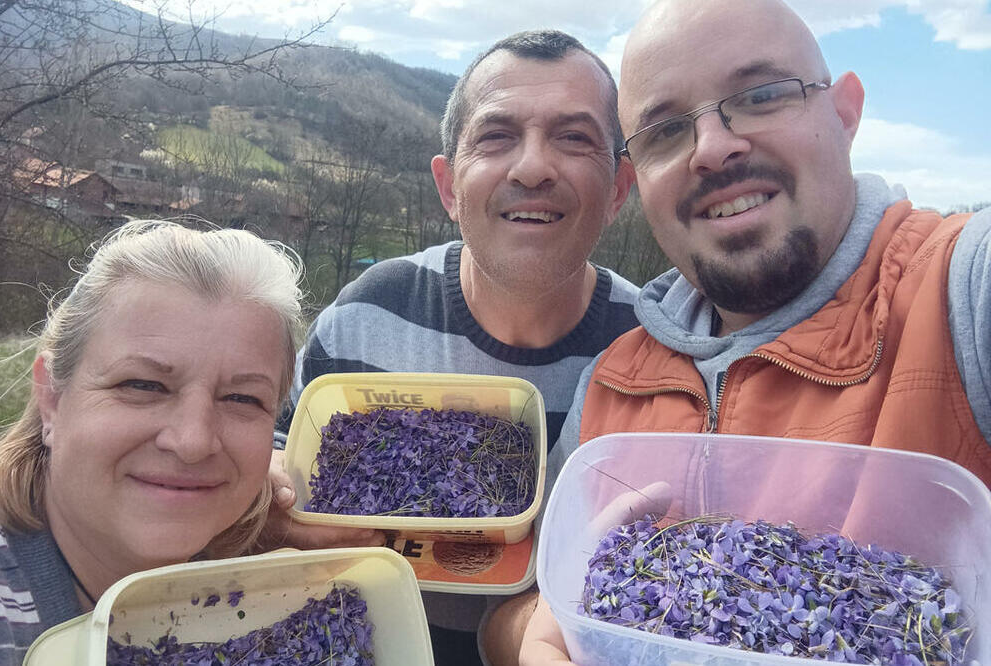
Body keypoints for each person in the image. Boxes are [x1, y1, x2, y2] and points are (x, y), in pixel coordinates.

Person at [520, 0, 991, 660]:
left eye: (762, 94)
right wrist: (538, 642)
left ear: (845, 112)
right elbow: (541, 605)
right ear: (636, 182)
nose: (712, 148)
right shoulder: (613, 388)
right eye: (663, 132)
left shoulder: (960, 291)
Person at [274, 30, 638, 666]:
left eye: (574, 137)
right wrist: (272, 496)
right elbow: (281, 451)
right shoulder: (366, 316)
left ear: (618, 189)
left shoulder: (648, 355)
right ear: (448, 187)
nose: (532, 168)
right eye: (496, 136)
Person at [0, 220, 307, 664]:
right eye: (143, 385)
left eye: (241, 398)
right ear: (51, 400)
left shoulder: (289, 586)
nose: (193, 442)